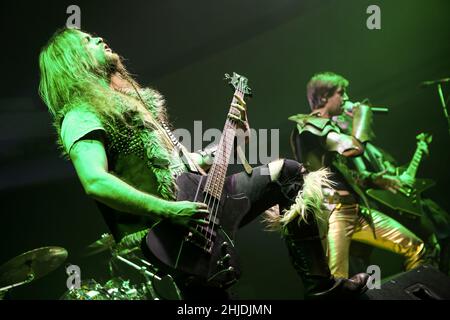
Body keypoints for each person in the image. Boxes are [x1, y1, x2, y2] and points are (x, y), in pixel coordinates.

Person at [38, 29, 368, 299]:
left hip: (197, 202)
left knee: (289, 174)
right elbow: (94, 181)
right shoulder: (80, 114)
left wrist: (227, 145)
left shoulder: (134, 103)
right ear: (73, 61)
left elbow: (182, 164)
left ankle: (323, 290)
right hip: (169, 230)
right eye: (85, 41)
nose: (97, 38)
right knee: (208, 293)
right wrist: (168, 211)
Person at [286, 71, 427, 279]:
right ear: (324, 97)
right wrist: (361, 119)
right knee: (337, 281)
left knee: (416, 247)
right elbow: (352, 147)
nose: (345, 99)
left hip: (354, 209)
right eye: (341, 93)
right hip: (333, 212)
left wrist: (375, 179)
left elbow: (340, 174)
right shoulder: (309, 124)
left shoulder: (329, 128)